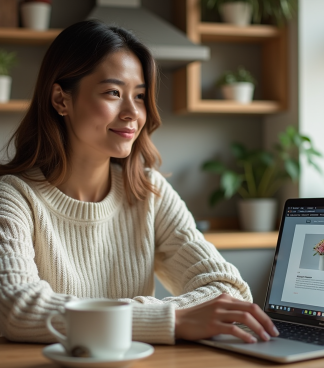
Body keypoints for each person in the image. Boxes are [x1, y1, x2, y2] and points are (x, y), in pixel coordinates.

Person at [0, 20, 278, 345]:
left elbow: (227, 288)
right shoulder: (13, 196)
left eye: (141, 96)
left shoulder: (149, 191)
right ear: (61, 99)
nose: (133, 112)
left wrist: (146, 319)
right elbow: (18, 308)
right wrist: (169, 318)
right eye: (113, 93)